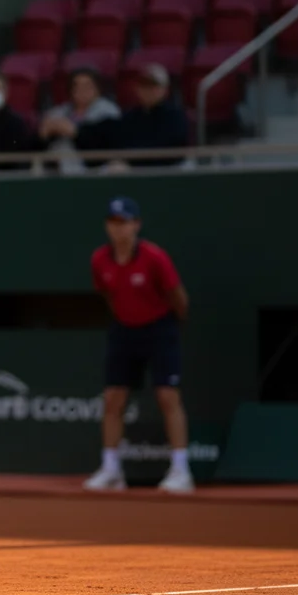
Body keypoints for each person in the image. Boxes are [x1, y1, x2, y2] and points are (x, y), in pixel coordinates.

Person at [84, 197, 194, 495]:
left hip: (160, 329)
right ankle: (111, 470)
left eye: (124, 222)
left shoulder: (154, 257)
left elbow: (179, 298)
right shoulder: (99, 260)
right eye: (113, 222)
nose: (118, 229)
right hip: (123, 330)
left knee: (167, 396)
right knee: (113, 399)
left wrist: (168, 327)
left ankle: (181, 470)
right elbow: (107, 294)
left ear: (137, 225)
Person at [102, 64, 189, 169]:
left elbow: (167, 148)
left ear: (165, 90)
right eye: (144, 86)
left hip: (168, 172)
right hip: (137, 172)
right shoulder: (132, 116)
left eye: (153, 86)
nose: (148, 91)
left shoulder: (175, 116)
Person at [37, 67, 121, 174]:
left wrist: (75, 132)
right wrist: (43, 134)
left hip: (96, 169)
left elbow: (104, 146)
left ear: (97, 89)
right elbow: (37, 143)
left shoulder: (108, 112)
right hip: (59, 169)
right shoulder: (59, 112)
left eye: (87, 85)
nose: (82, 90)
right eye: (76, 86)